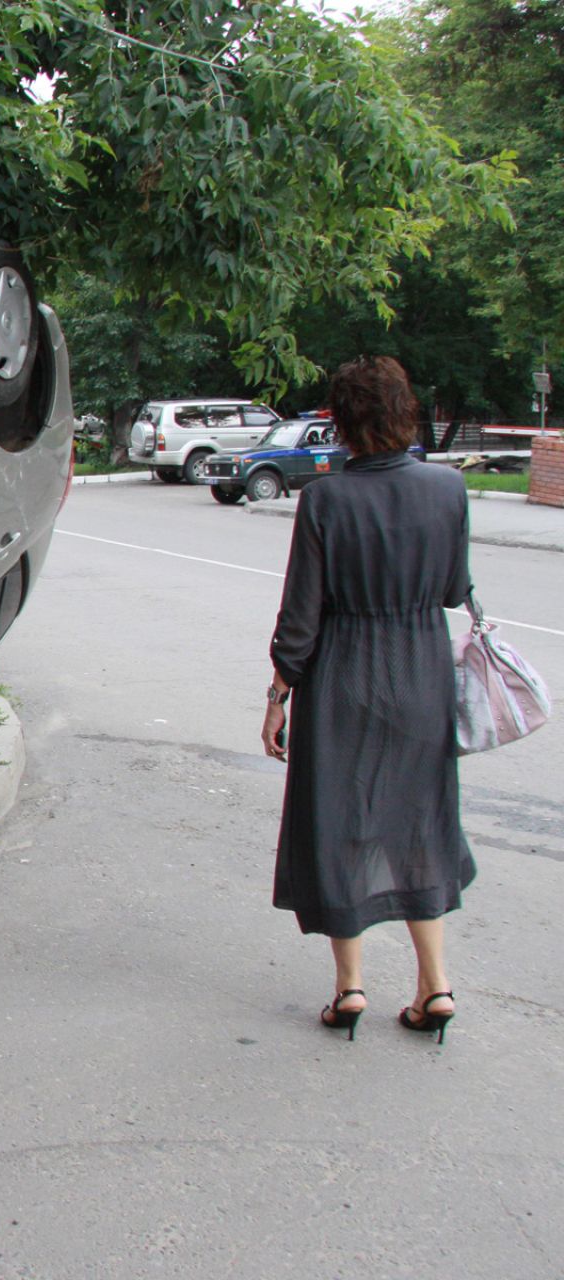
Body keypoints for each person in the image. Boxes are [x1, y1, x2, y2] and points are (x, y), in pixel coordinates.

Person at [263, 356, 473, 1044]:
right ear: (405, 412)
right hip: (420, 672)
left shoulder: (325, 499)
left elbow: (301, 616)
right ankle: (435, 986)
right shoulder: (448, 489)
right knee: (421, 821)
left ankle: (350, 988)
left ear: (341, 423)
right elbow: (451, 591)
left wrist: (278, 695)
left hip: (343, 678)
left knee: (341, 821)